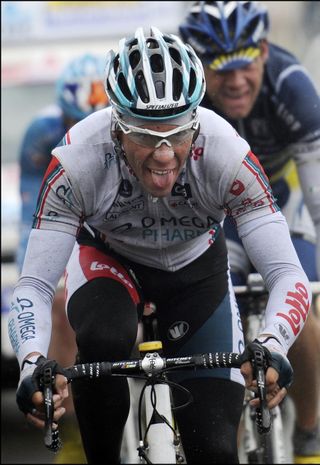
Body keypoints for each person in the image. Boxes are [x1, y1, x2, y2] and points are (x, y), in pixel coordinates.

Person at [8, 26, 312, 464]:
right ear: (116, 126)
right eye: (146, 135)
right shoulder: (77, 160)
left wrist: (274, 342)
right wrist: (32, 361)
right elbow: (35, 284)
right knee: (102, 337)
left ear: (197, 118)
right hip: (110, 264)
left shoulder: (226, 151)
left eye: (179, 132)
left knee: (214, 449)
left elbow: (286, 273)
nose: (165, 154)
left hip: (196, 272)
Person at [179, 1, 320, 463]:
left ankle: (309, 430)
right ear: (199, 66)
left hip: (282, 206)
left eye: (245, 64)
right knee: (216, 319)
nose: (236, 81)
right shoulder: (183, 95)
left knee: (302, 310)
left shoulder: (291, 88)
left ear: (263, 52)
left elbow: (316, 193)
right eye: (220, 70)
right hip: (219, 217)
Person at [15, 52, 109, 463]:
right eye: (74, 122)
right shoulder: (41, 133)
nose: (84, 132)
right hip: (63, 222)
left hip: (110, 225)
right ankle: (72, 430)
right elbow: (29, 217)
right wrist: (33, 277)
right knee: (59, 304)